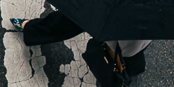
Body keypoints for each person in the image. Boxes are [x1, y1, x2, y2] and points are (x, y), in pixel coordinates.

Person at [10, 12, 150, 74]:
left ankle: (35, 30)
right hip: (136, 26)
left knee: (77, 17)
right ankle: (129, 68)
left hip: (126, 26)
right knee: (132, 52)